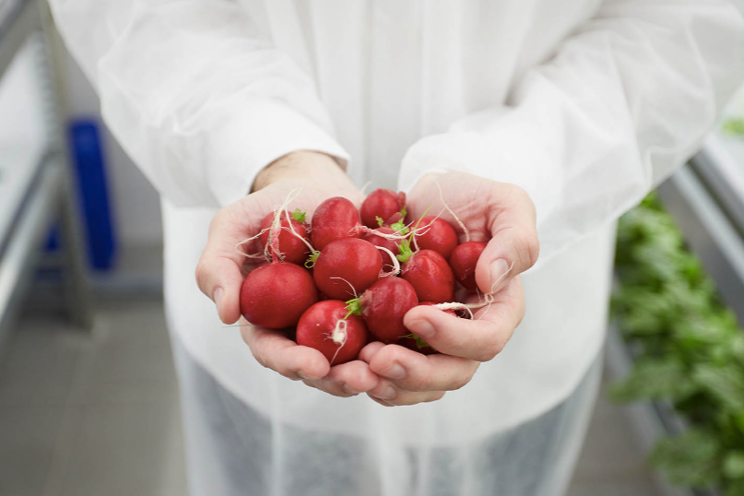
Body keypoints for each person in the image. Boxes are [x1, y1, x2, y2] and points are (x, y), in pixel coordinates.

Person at [49, 1, 744, 495]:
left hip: (519, 287)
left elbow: (690, 27)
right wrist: (266, 146)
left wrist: (524, 160)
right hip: (256, 252)